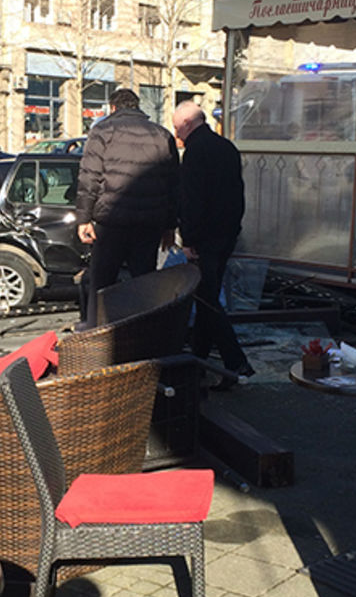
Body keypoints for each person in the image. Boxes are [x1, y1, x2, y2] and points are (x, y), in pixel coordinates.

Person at [75, 88, 179, 326]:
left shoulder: (102, 131)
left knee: (101, 283)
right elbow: (173, 185)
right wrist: (170, 226)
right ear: (137, 106)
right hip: (149, 224)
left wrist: (83, 218)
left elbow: (89, 177)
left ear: (113, 108)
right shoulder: (162, 135)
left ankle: (97, 334)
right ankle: (143, 338)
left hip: (111, 221)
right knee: (144, 283)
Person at [173, 100, 254, 389]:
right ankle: (199, 361)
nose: (176, 135)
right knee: (207, 296)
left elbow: (192, 200)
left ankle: (237, 362)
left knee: (207, 301)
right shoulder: (226, 147)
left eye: (176, 127)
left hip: (204, 239)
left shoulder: (195, 153)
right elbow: (237, 195)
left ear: (187, 124)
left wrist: (189, 239)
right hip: (226, 235)